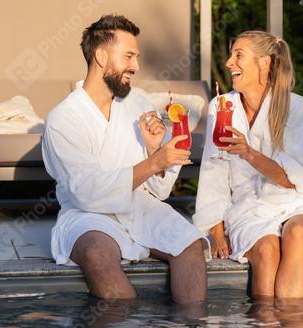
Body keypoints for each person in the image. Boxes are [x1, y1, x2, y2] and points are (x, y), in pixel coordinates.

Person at [42, 15, 207, 303]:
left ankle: (192, 323)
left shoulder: (137, 102)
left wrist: (155, 150)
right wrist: (153, 163)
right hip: (87, 215)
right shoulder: (64, 119)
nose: (136, 66)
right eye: (129, 56)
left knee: (190, 244)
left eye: (137, 57)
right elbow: (86, 192)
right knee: (96, 252)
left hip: (139, 205)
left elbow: (159, 191)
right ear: (102, 56)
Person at [193, 30, 303, 298]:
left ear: (264, 62)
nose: (229, 63)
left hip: (296, 202)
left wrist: (248, 152)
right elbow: (213, 171)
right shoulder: (221, 107)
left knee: (297, 232)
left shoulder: (295, 107)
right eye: (231, 55)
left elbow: (296, 178)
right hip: (249, 210)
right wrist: (217, 233)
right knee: (267, 250)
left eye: (238, 55)